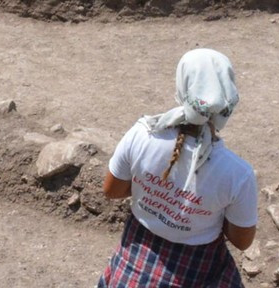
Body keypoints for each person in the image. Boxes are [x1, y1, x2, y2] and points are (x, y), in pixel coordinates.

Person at [97, 48, 258, 288]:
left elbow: (112, 190)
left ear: (182, 88)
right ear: (228, 96)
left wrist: (155, 191)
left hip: (135, 259)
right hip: (198, 269)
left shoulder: (142, 134)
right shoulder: (238, 174)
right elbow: (242, 241)